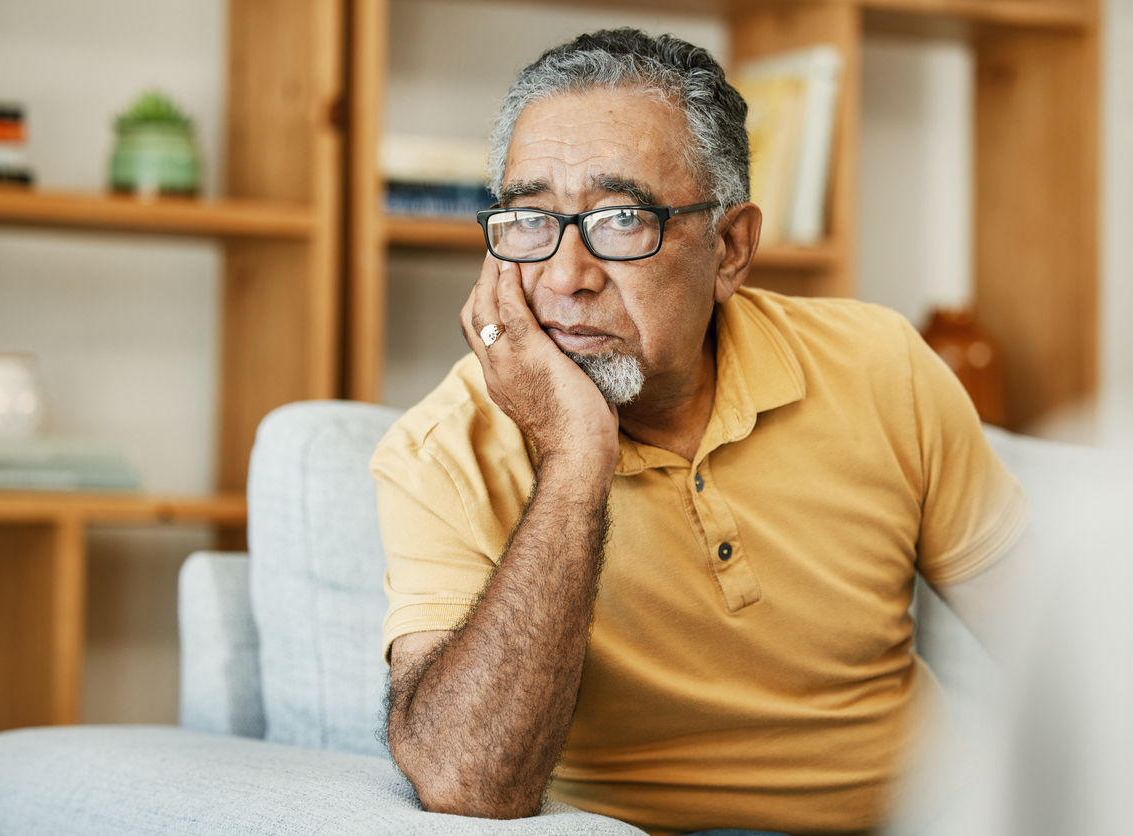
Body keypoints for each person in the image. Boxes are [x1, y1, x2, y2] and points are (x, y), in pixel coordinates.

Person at [371, 28, 1029, 836]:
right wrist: (576, 460)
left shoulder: (881, 365)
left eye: (619, 219)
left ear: (729, 248)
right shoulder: (441, 449)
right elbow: (465, 783)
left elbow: (1062, 647)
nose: (565, 278)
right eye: (530, 219)